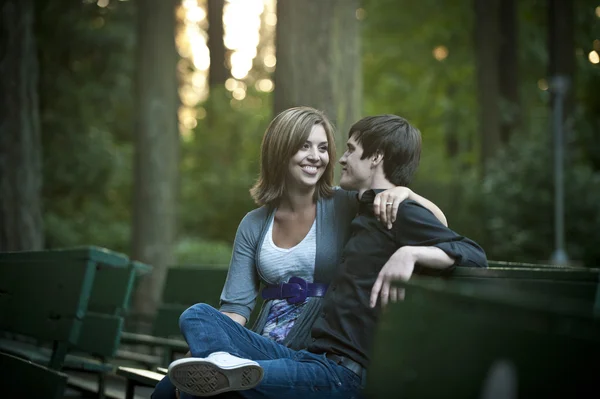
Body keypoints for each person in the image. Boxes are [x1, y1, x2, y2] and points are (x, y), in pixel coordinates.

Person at [166, 114, 488, 398]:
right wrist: (206, 347)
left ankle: (221, 371)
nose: (325, 158)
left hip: (327, 358)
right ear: (282, 151)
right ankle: (219, 364)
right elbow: (235, 306)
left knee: (195, 393)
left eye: (327, 148)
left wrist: (405, 198)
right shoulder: (258, 223)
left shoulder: (354, 204)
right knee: (195, 318)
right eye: (305, 146)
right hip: (292, 350)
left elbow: (448, 236)